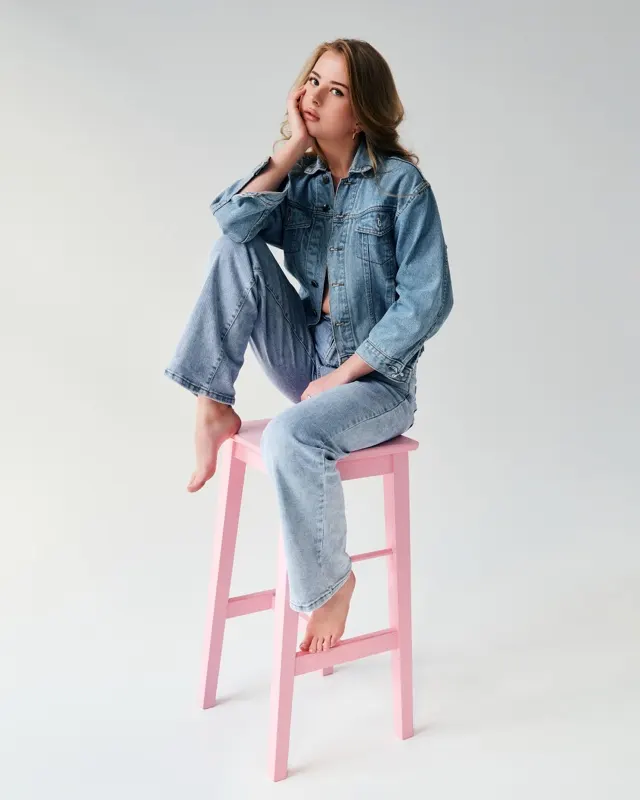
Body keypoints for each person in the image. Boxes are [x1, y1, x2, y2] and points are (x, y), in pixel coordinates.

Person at [164, 38, 454, 655]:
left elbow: (427, 301)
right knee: (234, 249)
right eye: (313, 81)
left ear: (363, 111)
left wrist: (344, 375)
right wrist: (291, 149)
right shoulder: (303, 181)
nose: (316, 96)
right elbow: (232, 222)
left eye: (337, 90)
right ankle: (211, 403)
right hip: (307, 360)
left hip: (375, 385)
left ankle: (331, 585)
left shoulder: (401, 186)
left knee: (289, 436)